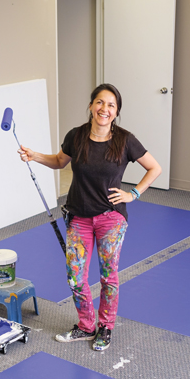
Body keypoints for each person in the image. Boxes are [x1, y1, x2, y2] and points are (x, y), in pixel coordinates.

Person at [17, 83, 162, 351]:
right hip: (79, 217)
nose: (104, 109)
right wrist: (34, 156)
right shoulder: (77, 136)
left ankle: (105, 327)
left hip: (111, 219)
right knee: (75, 276)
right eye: (100, 102)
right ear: (91, 105)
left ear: (116, 112)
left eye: (111, 105)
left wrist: (134, 194)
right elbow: (60, 161)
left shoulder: (125, 140)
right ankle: (86, 326)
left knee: (108, 276)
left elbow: (154, 168)